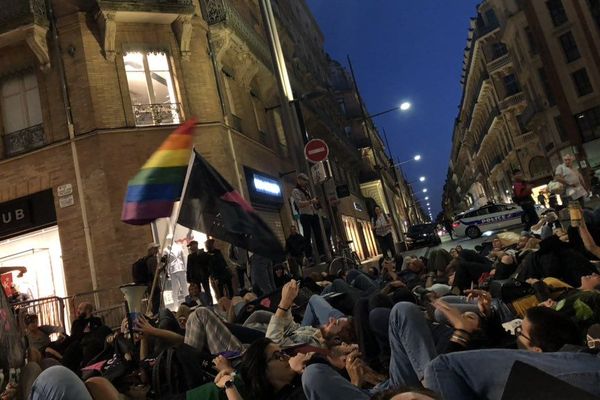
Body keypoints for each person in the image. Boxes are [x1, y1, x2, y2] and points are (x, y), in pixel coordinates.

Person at [424, 307, 599, 400]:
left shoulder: (536, 376)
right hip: (467, 343)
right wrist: (488, 316)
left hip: (450, 361)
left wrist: (462, 332)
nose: (516, 333)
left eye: (520, 332)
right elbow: (505, 345)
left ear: (537, 351)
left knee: (408, 312)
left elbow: (445, 367)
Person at [292, 173, 325, 263]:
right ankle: (309, 256)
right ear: (299, 180)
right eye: (304, 180)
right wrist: (311, 201)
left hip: (313, 213)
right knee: (307, 236)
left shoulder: (307, 190)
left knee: (318, 235)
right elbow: (299, 204)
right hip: (305, 215)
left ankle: (322, 254)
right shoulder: (296, 191)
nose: (306, 182)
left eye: (306, 180)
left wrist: (316, 204)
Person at [186, 240, 212, 305]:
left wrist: (208, 273)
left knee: (207, 290)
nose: (190, 248)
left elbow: (208, 263)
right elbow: (189, 268)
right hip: (195, 277)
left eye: (191, 246)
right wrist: (189, 278)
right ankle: (201, 304)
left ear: (195, 245)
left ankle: (209, 303)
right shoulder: (190, 256)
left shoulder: (202, 253)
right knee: (197, 291)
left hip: (203, 275)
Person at [164, 239, 188, 305]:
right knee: (175, 288)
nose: (169, 241)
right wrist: (167, 272)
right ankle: (175, 304)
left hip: (181, 268)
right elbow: (166, 262)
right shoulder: (166, 250)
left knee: (184, 287)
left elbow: (184, 257)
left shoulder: (179, 247)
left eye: (170, 239)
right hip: (172, 270)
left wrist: (185, 268)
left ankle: (188, 302)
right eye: (168, 240)